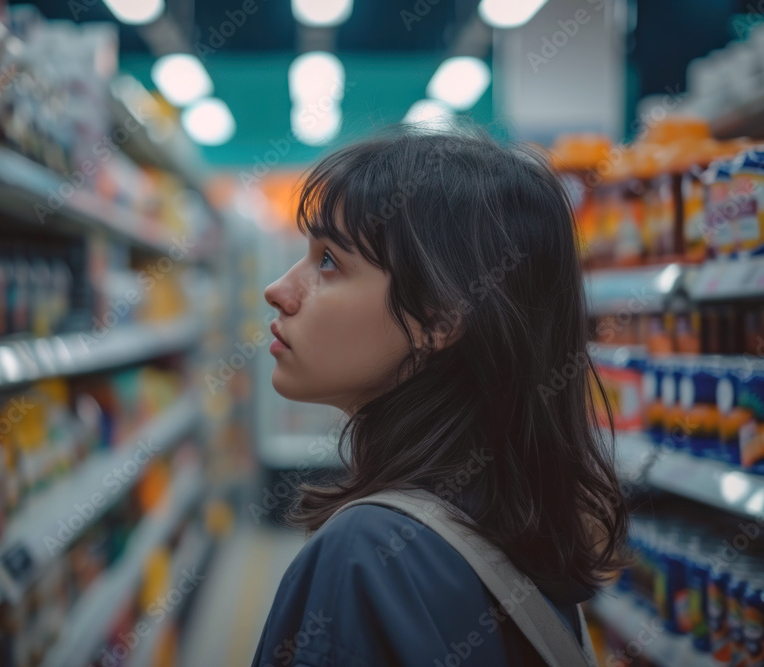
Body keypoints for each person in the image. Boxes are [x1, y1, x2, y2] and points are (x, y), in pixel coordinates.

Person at [253, 125, 629, 666]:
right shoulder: (517, 527)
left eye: (329, 261)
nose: (279, 290)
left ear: (439, 319)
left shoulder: (368, 553)